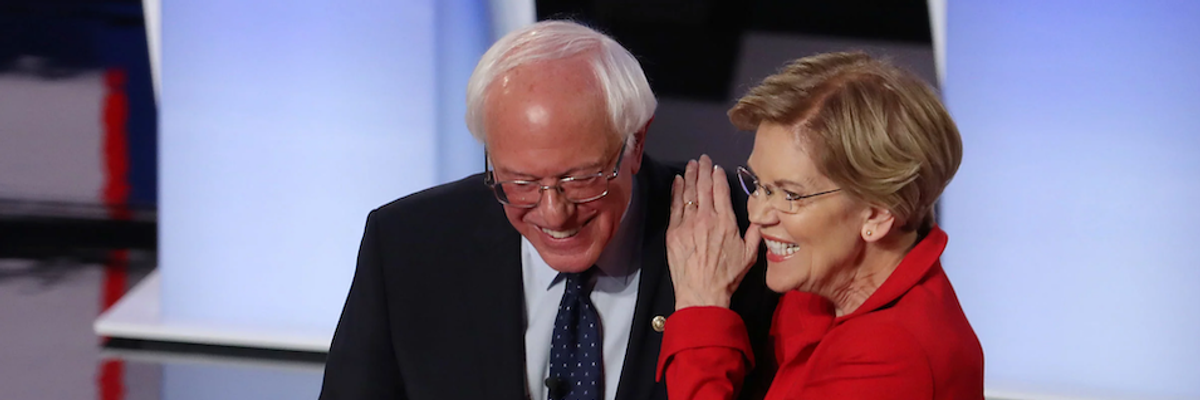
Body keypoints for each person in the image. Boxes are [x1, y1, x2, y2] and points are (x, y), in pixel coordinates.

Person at [318, 20, 778, 400]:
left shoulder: (748, 241)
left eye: (581, 179)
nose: (554, 213)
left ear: (636, 141)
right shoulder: (407, 247)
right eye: (521, 183)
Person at [655, 52, 984, 399]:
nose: (758, 214)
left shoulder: (891, 357)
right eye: (761, 185)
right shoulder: (822, 283)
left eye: (791, 195)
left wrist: (701, 308)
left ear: (876, 215)